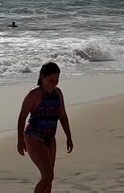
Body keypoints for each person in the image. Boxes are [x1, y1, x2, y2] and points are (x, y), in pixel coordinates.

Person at [17, 62, 73, 193]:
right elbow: (22, 118)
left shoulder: (58, 93)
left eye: (57, 80)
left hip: (50, 138)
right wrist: (20, 141)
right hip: (33, 137)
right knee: (48, 176)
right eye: (51, 80)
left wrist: (69, 137)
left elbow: (63, 116)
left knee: (49, 179)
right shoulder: (34, 95)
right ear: (42, 77)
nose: (54, 83)